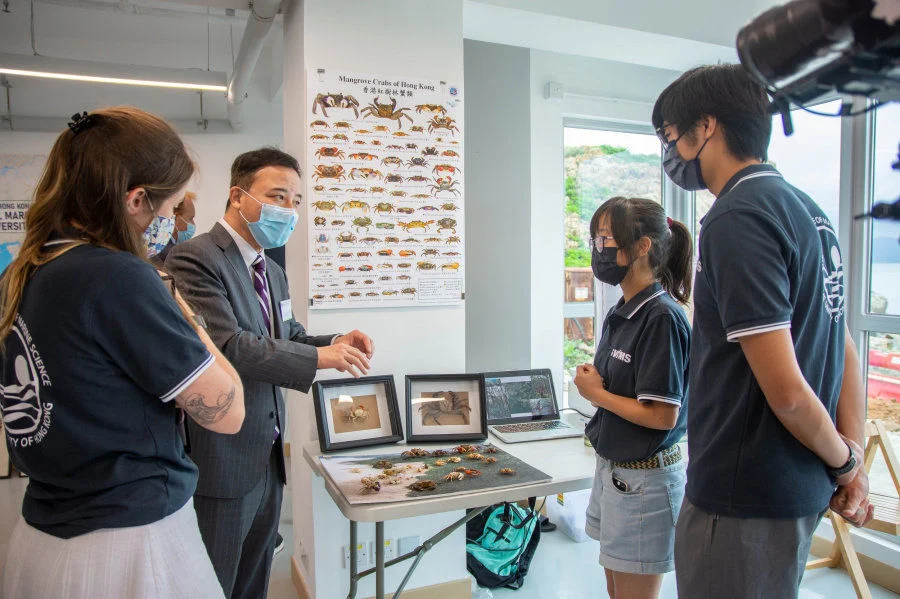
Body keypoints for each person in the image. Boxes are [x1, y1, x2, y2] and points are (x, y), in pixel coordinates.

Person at [0, 107, 245, 598]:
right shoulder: (118, 276)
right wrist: (176, 304)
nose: (172, 223)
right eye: (172, 208)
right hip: (129, 542)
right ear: (136, 200)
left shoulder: (24, 270)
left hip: (46, 529)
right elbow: (228, 412)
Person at [651, 64, 873, 598]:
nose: (670, 151)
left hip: (743, 492)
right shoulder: (810, 213)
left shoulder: (738, 216)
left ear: (706, 126)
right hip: (795, 485)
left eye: (670, 135)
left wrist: (846, 464)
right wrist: (851, 458)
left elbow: (788, 392)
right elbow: (841, 343)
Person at [165, 147, 375, 599]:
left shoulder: (271, 270)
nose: (288, 210)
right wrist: (322, 359)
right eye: (278, 196)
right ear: (238, 196)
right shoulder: (196, 258)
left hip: (269, 454)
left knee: (254, 580)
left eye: (296, 201)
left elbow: (289, 335)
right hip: (223, 460)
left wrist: (336, 341)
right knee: (215, 584)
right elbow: (229, 347)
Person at [574, 197, 693, 599]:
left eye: (606, 239)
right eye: (596, 239)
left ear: (642, 246)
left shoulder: (662, 318)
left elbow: (662, 416)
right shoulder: (623, 310)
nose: (599, 249)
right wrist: (597, 386)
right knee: (615, 587)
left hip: (645, 481)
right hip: (615, 471)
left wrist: (597, 393)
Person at [157, 191, 197, 261]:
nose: (193, 224)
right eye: (190, 218)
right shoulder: (169, 254)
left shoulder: (159, 245)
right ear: (175, 216)